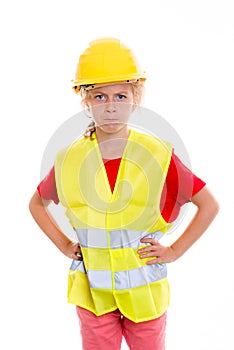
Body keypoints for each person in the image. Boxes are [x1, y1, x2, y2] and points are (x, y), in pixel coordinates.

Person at [29, 38, 219, 350]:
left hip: (144, 292)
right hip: (94, 293)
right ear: (85, 101)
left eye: (121, 95)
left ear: (135, 98)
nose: (111, 105)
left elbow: (208, 204)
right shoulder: (70, 158)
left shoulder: (157, 154)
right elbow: (37, 204)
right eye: (100, 96)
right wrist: (64, 244)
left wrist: (174, 251)